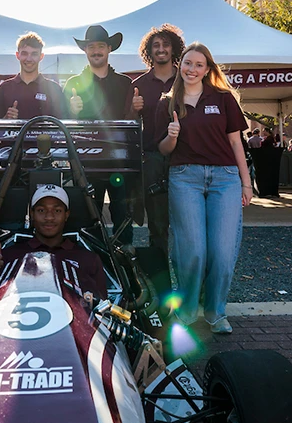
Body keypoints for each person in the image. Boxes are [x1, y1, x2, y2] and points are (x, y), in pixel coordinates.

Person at [156, 42, 252, 335]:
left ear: (208, 69)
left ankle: (215, 312)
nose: (192, 69)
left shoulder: (223, 99)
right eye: (188, 63)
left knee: (222, 252)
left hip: (225, 179)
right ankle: (186, 311)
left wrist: (246, 183)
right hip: (185, 178)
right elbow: (163, 149)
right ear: (179, 65)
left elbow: (236, 143)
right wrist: (172, 136)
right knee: (193, 250)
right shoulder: (168, 102)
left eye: (199, 64)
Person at [64, 25, 134, 246]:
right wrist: (71, 111)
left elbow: (131, 122)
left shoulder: (125, 83)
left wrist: (136, 109)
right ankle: (87, 268)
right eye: (91, 46)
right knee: (85, 219)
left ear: (109, 48)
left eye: (100, 46)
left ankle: (123, 270)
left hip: (119, 162)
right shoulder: (73, 83)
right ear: (85, 50)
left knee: (123, 216)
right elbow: (61, 123)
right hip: (85, 162)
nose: (96, 51)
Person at [0, 184, 108, 299]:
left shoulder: (88, 259)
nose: (49, 217)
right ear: (32, 214)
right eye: (41, 210)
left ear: (66, 215)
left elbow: (102, 310)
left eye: (57, 211)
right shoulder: (7, 257)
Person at [127, 24, 184, 257]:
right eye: (156, 45)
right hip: (151, 160)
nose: (161, 49)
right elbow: (129, 124)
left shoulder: (186, 78)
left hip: (185, 158)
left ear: (174, 48)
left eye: (165, 44)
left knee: (186, 223)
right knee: (158, 225)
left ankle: (188, 281)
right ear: (149, 51)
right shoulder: (138, 85)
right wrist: (133, 109)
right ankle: (160, 283)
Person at [0, 32, 66, 119]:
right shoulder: (4, 89)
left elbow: (62, 126)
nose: (29, 59)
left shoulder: (54, 89)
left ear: (41, 56)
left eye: (34, 54)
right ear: (17, 55)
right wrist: (6, 119)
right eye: (24, 53)